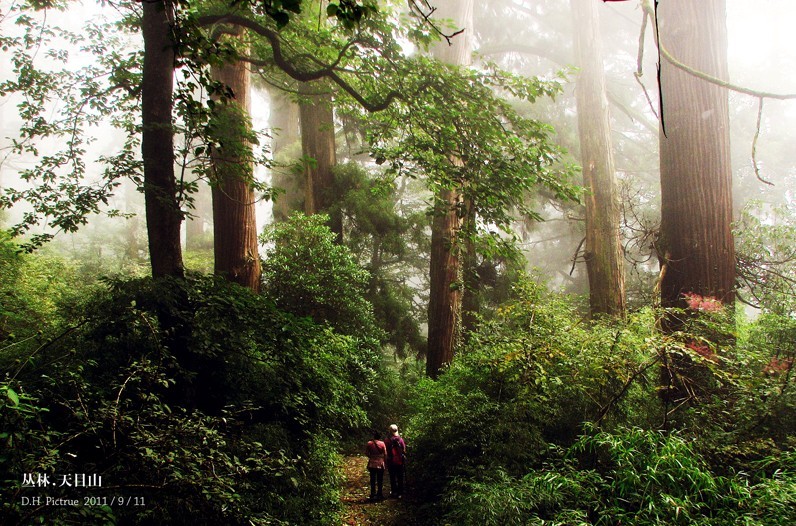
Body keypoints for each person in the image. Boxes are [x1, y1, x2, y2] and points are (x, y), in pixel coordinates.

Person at [386, 423, 406, 498]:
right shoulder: (400, 440)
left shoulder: (387, 440)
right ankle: (400, 493)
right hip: (400, 461)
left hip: (391, 461)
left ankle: (394, 492)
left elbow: (385, 451)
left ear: (390, 431)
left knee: (392, 477)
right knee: (400, 477)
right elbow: (404, 450)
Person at [365, 431, 387, 501]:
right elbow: (385, 454)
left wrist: (371, 457)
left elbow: (366, 453)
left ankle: (372, 494)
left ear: (374, 436)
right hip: (380, 463)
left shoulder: (369, 443)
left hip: (372, 463)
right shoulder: (382, 444)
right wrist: (384, 461)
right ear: (380, 437)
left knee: (372, 479)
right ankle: (380, 494)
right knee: (380, 479)